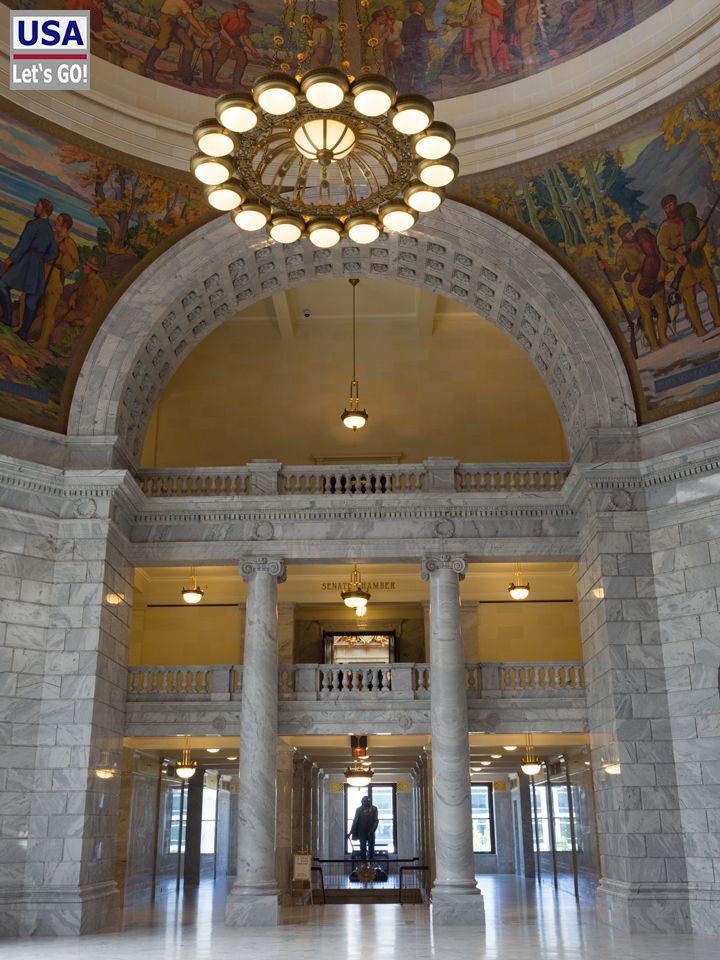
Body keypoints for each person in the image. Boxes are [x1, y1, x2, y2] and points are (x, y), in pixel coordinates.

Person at [601, 222, 671, 352]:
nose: (632, 234)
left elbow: (658, 255)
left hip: (654, 278)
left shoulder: (643, 240)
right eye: (628, 233)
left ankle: (663, 337)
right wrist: (607, 267)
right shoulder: (622, 252)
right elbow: (617, 271)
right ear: (624, 237)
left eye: (632, 231)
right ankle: (653, 343)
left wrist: (662, 270)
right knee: (646, 315)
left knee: (662, 310)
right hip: (638, 284)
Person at [657, 194, 720, 337]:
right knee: (689, 299)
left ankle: (718, 320)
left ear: (676, 203)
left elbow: (703, 229)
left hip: (697, 258)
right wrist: (676, 256)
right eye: (666, 207)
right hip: (682, 265)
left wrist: (697, 242)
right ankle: (699, 329)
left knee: (711, 289)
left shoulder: (688, 218)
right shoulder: (665, 228)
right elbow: (662, 248)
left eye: (671, 204)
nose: (670, 208)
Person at [0, 198, 58, 341]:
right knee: (31, 300)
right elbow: (54, 253)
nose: (34, 208)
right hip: (37, 267)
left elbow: (23, 245)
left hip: (25, 262)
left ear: (43, 210)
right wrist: (41, 258)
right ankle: (24, 333)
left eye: (37, 206)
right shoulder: (50, 230)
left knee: (2, 284)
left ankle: (7, 317)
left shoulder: (33, 225)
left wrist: (11, 259)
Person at [34, 213, 79, 351]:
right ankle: (23, 328)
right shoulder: (50, 236)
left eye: (58, 220)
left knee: (49, 310)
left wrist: (65, 253)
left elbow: (71, 266)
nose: (55, 222)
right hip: (41, 271)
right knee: (28, 298)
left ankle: (42, 341)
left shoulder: (70, 244)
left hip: (55, 278)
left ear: (65, 225)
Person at [144, 0, 209, 85]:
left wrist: (198, 31)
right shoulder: (182, 2)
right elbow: (191, 19)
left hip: (173, 21)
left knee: (189, 45)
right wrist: (202, 32)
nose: (194, 8)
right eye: (195, 6)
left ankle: (186, 72)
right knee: (163, 42)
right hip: (165, 19)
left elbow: (189, 18)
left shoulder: (185, 5)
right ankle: (148, 64)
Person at [212, 2, 262, 87]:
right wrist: (229, 40)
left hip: (235, 39)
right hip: (224, 35)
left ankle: (236, 83)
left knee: (243, 59)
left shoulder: (247, 22)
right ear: (237, 9)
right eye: (240, 9)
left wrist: (253, 50)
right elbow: (220, 29)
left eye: (243, 10)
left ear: (246, 11)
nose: (241, 11)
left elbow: (245, 37)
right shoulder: (228, 15)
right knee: (222, 54)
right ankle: (211, 77)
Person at [347, 795, 379, 862]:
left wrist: (372, 830)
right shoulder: (358, 810)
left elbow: (376, 821)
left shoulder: (374, 809)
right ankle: (363, 866)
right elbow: (355, 821)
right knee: (363, 849)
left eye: (366, 802)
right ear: (362, 802)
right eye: (363, 802)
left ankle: (371, 865)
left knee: (371, 850)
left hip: (371, 832)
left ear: (369, 802)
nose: (365, 803)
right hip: (361, 832)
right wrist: (350, 833)